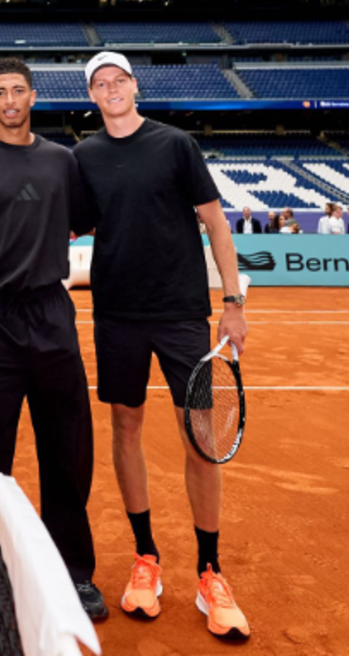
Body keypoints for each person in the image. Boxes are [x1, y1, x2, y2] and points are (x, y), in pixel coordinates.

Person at [72, 51, 250, 640]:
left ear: (134, 86)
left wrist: (233, 303)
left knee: (198, 435)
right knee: (125, 427)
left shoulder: (176, 145)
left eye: (119, 78)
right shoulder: (84, 157)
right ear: (93, 96)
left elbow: (216, 222)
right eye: (100, 83)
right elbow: (62, 223)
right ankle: (146, 558)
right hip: (117, 315)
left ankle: (209, 570)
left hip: (180, 315)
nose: (111, 88)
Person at [0, 57, 107, 621]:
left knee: (68, 451)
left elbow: (81, 220)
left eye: (18, 91)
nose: (10, 100)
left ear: (32, 96)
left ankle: (71, 573)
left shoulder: (63, 160)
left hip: (52, 313)